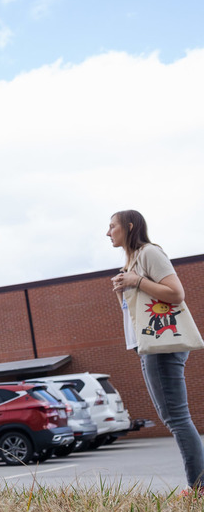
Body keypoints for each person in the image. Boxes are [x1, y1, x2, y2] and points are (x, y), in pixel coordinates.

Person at [108, 209, 203, 492]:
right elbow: (137, 312)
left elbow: (176, 293)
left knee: (176, 418)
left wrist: (136, 281)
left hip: (162, 347)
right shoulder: (133, 261)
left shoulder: (149, 253)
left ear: (129, 225)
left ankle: (199, 488)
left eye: (112, 226)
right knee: (175, 417)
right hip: (150, 345)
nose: (107, 232)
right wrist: (122, 290)